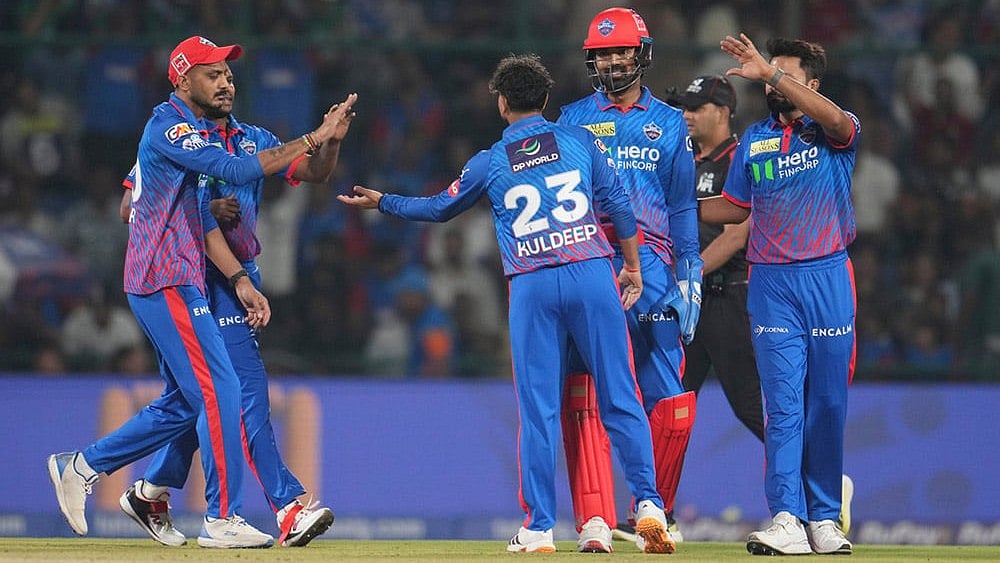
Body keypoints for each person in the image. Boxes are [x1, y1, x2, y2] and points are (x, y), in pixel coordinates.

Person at [338, 53, 673, 554]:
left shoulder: (491, 160)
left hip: (533, 285)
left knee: (538, 411)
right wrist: (633, 266)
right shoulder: (579, 140)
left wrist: (384, 201)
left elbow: (438, 208)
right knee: (620, 395)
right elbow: (620, 207)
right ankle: (648, 504)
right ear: (545, 100)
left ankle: (539, 528)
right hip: (591, 274)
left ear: (501, 104)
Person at [47, 35, 351, 549]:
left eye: (230, 74)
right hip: (172, 275)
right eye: (214, 73)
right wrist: (308, 137)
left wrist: (331, 138)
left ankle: (108, 475)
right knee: (228, 392)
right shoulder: (171, 130)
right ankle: (236, 514)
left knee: (191, 401)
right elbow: (134, 206)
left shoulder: (252, 138)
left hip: (194, 277)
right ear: (184, 79)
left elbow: (313, 173)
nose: (227, 81)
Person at [699, 34, 859, 556]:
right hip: (771, 286)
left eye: (785, 74)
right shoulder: (754, 141)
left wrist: (769, 72)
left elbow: (837, 122)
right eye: (771, 74)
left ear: (810, 83)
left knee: (827, 402)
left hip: (827, 276)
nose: (773, 81)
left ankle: (825, 519)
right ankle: (787, 517)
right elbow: (733, 207)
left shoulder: (835, 127)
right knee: (783, 406)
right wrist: (670, 203)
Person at [555, 7, 700, 552]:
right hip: (590, 266)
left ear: (641, 54)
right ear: (591, 59)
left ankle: (654, 513)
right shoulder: (569, 120)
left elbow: (683, 207)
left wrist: (690, 275)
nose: (614, 62)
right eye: (604, 53)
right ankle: (595, 519)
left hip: (655, 272)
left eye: (622, 52)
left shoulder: (668, 122)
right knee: (584, 391)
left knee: (670, 400)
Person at [665, 75, 764, 442]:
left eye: (696, 108)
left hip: (727, 299)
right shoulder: (682, 161)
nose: (686, 116)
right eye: (684, 108)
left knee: (752, 406)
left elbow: (738, 233)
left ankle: (822, 489)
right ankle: (657, 500)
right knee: (669, 406)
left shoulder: (739, 160)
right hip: (689, 301)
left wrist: (689, 276)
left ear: (723, 112)